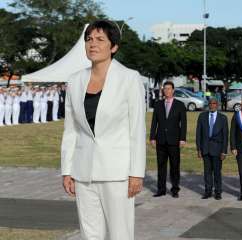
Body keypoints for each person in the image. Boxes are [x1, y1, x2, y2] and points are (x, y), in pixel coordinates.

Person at [61, 20, 146, 240]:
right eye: (89, 39)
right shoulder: (75, 81)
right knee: (89, 234)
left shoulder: (129, 78)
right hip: (83, 171)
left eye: (100, 39)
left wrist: (136, 173)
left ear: (114, 47)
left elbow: (136, 129)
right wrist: (67, 170)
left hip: (117, 173)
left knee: (120, 234)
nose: (92, 44)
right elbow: (71, 130)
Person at [150, 81, 187, 198]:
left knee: (174, 166)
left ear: (173, 90)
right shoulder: (158, 104)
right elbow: (154, 122)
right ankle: (161, 189)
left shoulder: (180, 105)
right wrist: (152, 137)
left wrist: (182, 138)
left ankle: (175, 189)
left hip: (174, 140)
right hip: (160, 140)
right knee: (161, 166)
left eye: (169, 89)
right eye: (165, 89)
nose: (166, 91)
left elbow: (184, 123)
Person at [196, 98, 228, 200]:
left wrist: (224, 151)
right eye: (210, 103)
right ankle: (208, 191)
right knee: (207, 172)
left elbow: (225, 136)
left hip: (218, 150)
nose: (212, 105)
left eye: (214, 103)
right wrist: (199, 149)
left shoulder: (223, 118)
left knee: (217, 172)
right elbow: (198, 134)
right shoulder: (202, 116)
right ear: (208, 105)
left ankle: (218, 192)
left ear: (217, 105)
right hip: (205, 149)